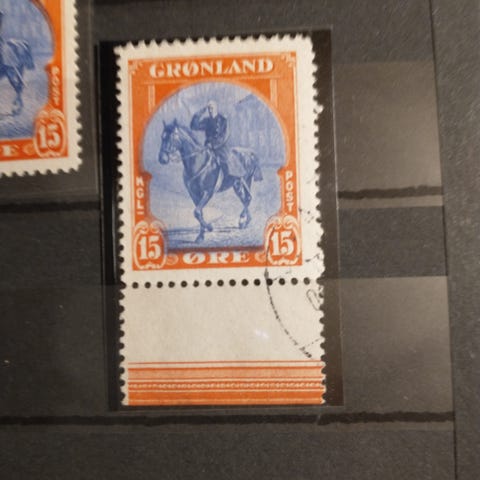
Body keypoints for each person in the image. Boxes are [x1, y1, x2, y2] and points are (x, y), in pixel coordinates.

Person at [190, 100, 246, 177]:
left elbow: (225, 136)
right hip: (208, 147)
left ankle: (232, 178)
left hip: (221, 147)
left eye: (212, 108)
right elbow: (194, 126)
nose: (210, 111)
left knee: (227, 163)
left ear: (216, 108)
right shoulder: (207, 121)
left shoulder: (223, 120)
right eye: (209, 109)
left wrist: (213, 144)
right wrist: (201, 111)